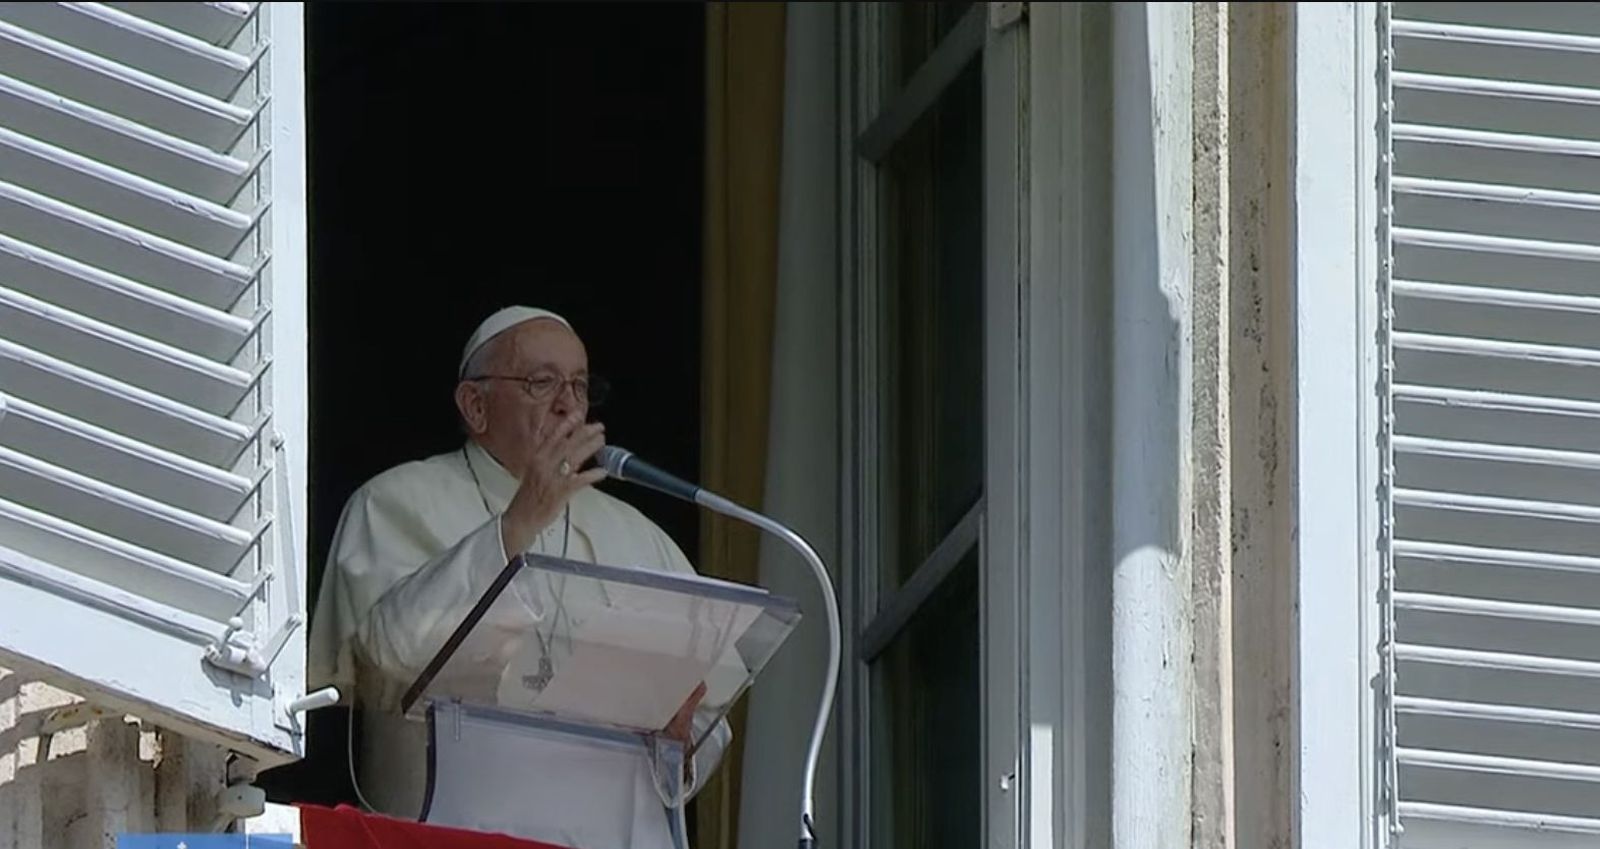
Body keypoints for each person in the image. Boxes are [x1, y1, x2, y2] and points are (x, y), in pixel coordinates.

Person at [307, 306, 728, 848]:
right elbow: (393, 660)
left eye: (580, 385)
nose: (568, 403)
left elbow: (709, 708)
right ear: (475, 405)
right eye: (542, 382)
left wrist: (682, 744)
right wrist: (517, 525)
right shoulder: (393, 502)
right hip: (451, 834)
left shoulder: (643, 539)